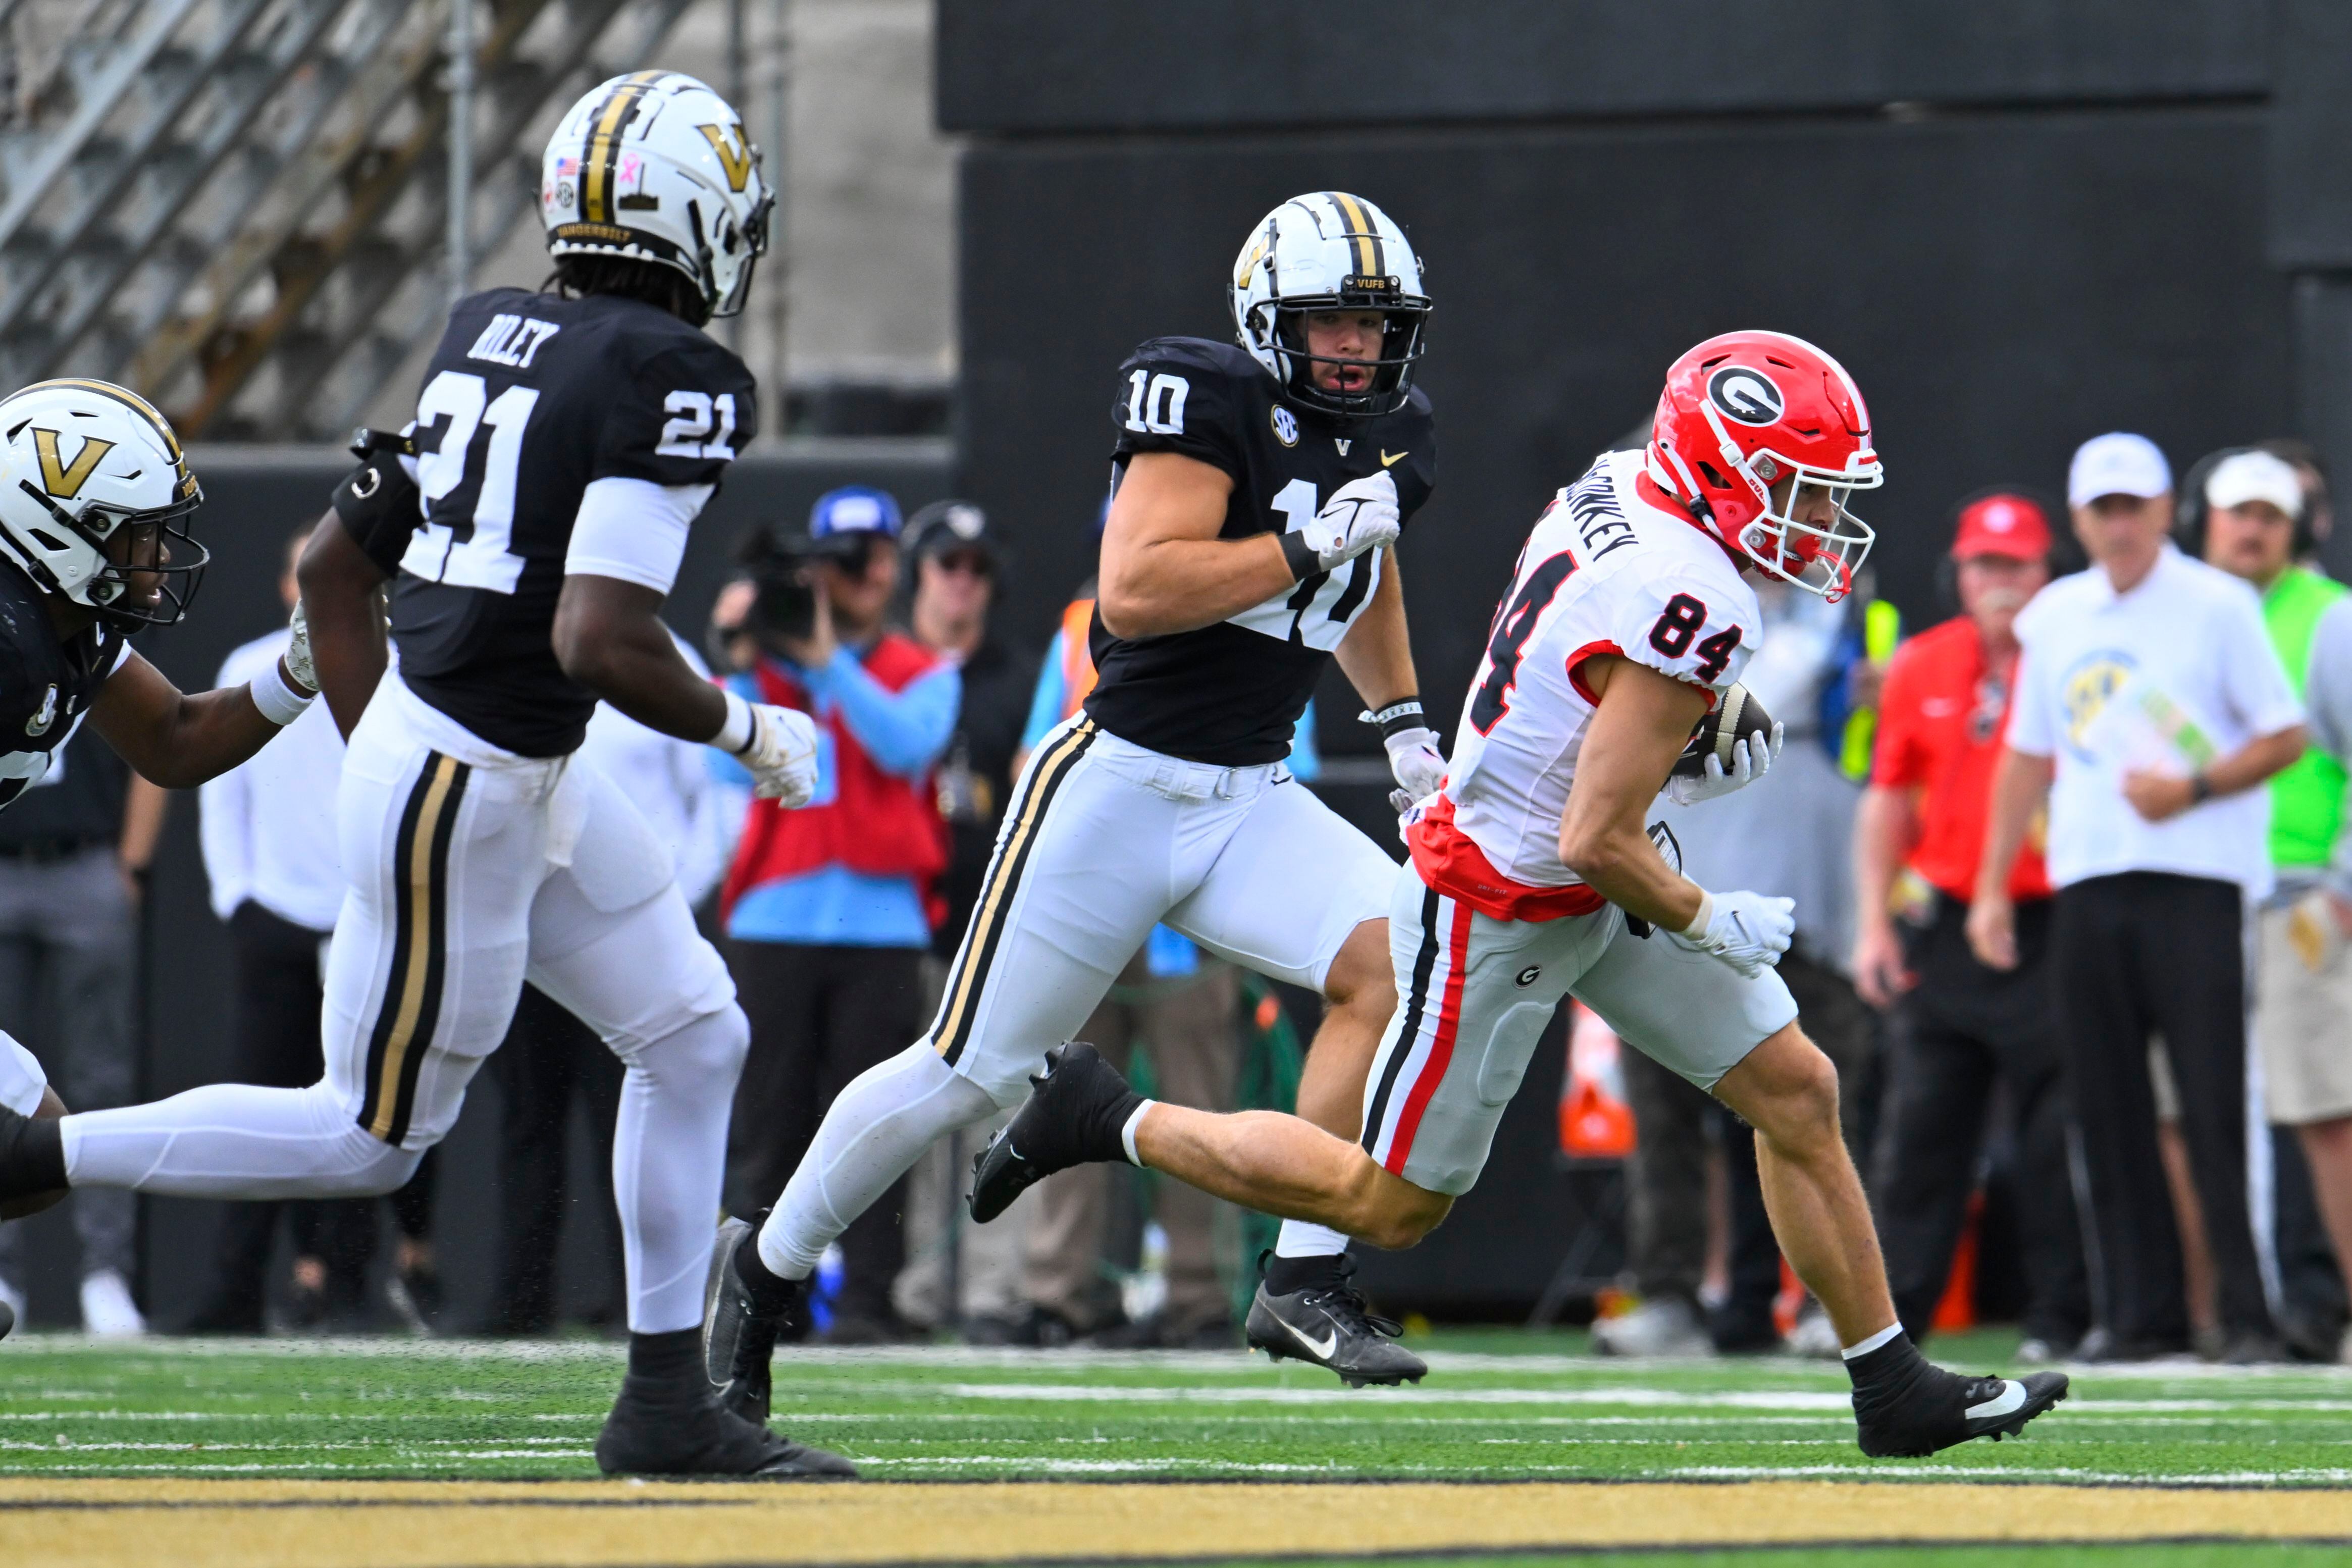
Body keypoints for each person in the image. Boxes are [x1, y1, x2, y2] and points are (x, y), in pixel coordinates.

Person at [974, 331, 2067, 1456]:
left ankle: (1886, 1381)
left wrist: (1681, 738)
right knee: (1387, 1202)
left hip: (1574, 855)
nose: (1812, 517)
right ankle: (1103, 1116)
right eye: (1791, 485)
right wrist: (1710, 912)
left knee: (1794, 1085)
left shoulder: (1623, 480)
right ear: (1715, 465)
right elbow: (1592, 833)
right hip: (1501, 897)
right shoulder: (1689, 588)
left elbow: (1578, 690)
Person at [0, 75, 843, 1478]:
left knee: (697, 1032)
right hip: (469, 773)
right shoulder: (669, 376)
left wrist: (372, 725)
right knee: (368, 1141)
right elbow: (599, 632)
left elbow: (332, 579)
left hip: (506, 762)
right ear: (693, 216)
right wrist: (742, 728)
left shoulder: (487, 329)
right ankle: (28, 1161)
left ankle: (663, 1404)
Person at [706, 190, 1443, 1409]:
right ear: (1268, 320)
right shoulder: (1200, 398)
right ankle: (766, 1268)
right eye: (1330, 322)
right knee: (965, 1071)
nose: (1356, 347)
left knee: (1398, 959)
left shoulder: (1394, 425)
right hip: (1119, 786)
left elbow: (1366, 568)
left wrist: (1404, 726)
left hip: (1249, 794)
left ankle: (1303, 1275)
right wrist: (1308, 547)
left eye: (1375, 324)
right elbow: (1139, 590)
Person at [0, 376, 351, 1346]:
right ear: (59, 524)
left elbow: (176, 740)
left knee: (24, 1155)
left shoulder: (65, 622)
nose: (158, 556)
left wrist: (295, 673)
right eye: (137, 531)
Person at [1970, 432, 2306, 1363]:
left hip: (2198, 880)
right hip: (2089, 879)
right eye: (2102, 509)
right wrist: (1993, 885)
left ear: (2166, 511)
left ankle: (2247, 1315)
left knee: (2213, 1102)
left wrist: (2192, 789)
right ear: (2079, 519)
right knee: (2107, 1106)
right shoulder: (2055, 617)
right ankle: (2139, 1313)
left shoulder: (2218, 605)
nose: (2119, 525)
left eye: (2134, 506)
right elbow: (2029, 753)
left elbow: (2284, 735)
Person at [1605, 573, 1882, 1361]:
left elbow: (1766, 690)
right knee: (1664, 1122)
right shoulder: (1652, 607)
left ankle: (1834, 1305)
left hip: (1800, 914)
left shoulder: (1846, 620)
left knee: (1814, 1113)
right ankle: (1670, 1294)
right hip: (1670, 904)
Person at [714, 486, 958, 1343]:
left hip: (883, 927)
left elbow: (905, 746)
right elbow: (717, 766)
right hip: (776, 915)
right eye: (852, 558)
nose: (871, 574)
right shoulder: (766, 668)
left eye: (883, 557)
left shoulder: (923, 671)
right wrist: (741, 647)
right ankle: (759, 1296)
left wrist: (826, 664)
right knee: (769, 1119)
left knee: (879, 1125)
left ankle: (869, 1299)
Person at [1853, 491, 2088, 1359]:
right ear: (1960, 572)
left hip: (2049, 915)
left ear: (2043, 571)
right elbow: (1885, 798)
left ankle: (2061, 1317)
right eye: (1985, 565)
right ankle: (1892, 1325)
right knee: (1922, 1131)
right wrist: (1874, 925)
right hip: (1948, 920)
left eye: (2017, 564)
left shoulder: (2070, 658)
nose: (2001, 582)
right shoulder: (1921, 662)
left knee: (2055, 1134)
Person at [484, 627, 738, 1337]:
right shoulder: (516, 643)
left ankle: (644, 1310)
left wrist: (659, 913)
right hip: (530, 931)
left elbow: (712, 805)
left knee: (627, 1119)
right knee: (527, 1119)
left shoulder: (667, 655)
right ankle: (519, 1303)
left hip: (627, 942)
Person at [2183, 447, 2352, 1357]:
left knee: (2322, 1106)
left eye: (2270, 517)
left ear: (2297, 529)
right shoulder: (2184, 613)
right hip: (2195, 890)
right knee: (2193, 1110)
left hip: (2301, 893)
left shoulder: (2331, 620)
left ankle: (2332, 1310)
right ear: (2205, 518)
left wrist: (2347, 878)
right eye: (2236, 513)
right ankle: (2215, 1317)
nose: (2251, 530)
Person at [888, 500, 1041, 1335]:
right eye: (949, 563)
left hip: (988, 933)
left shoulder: (1018, 681)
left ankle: (989, 1290)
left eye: (979, 570)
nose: (963, 583)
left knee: (996, 1118)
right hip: (898, 924)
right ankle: (910, 1286)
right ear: (921, 570)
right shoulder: (882, 667)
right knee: (905, 1118)